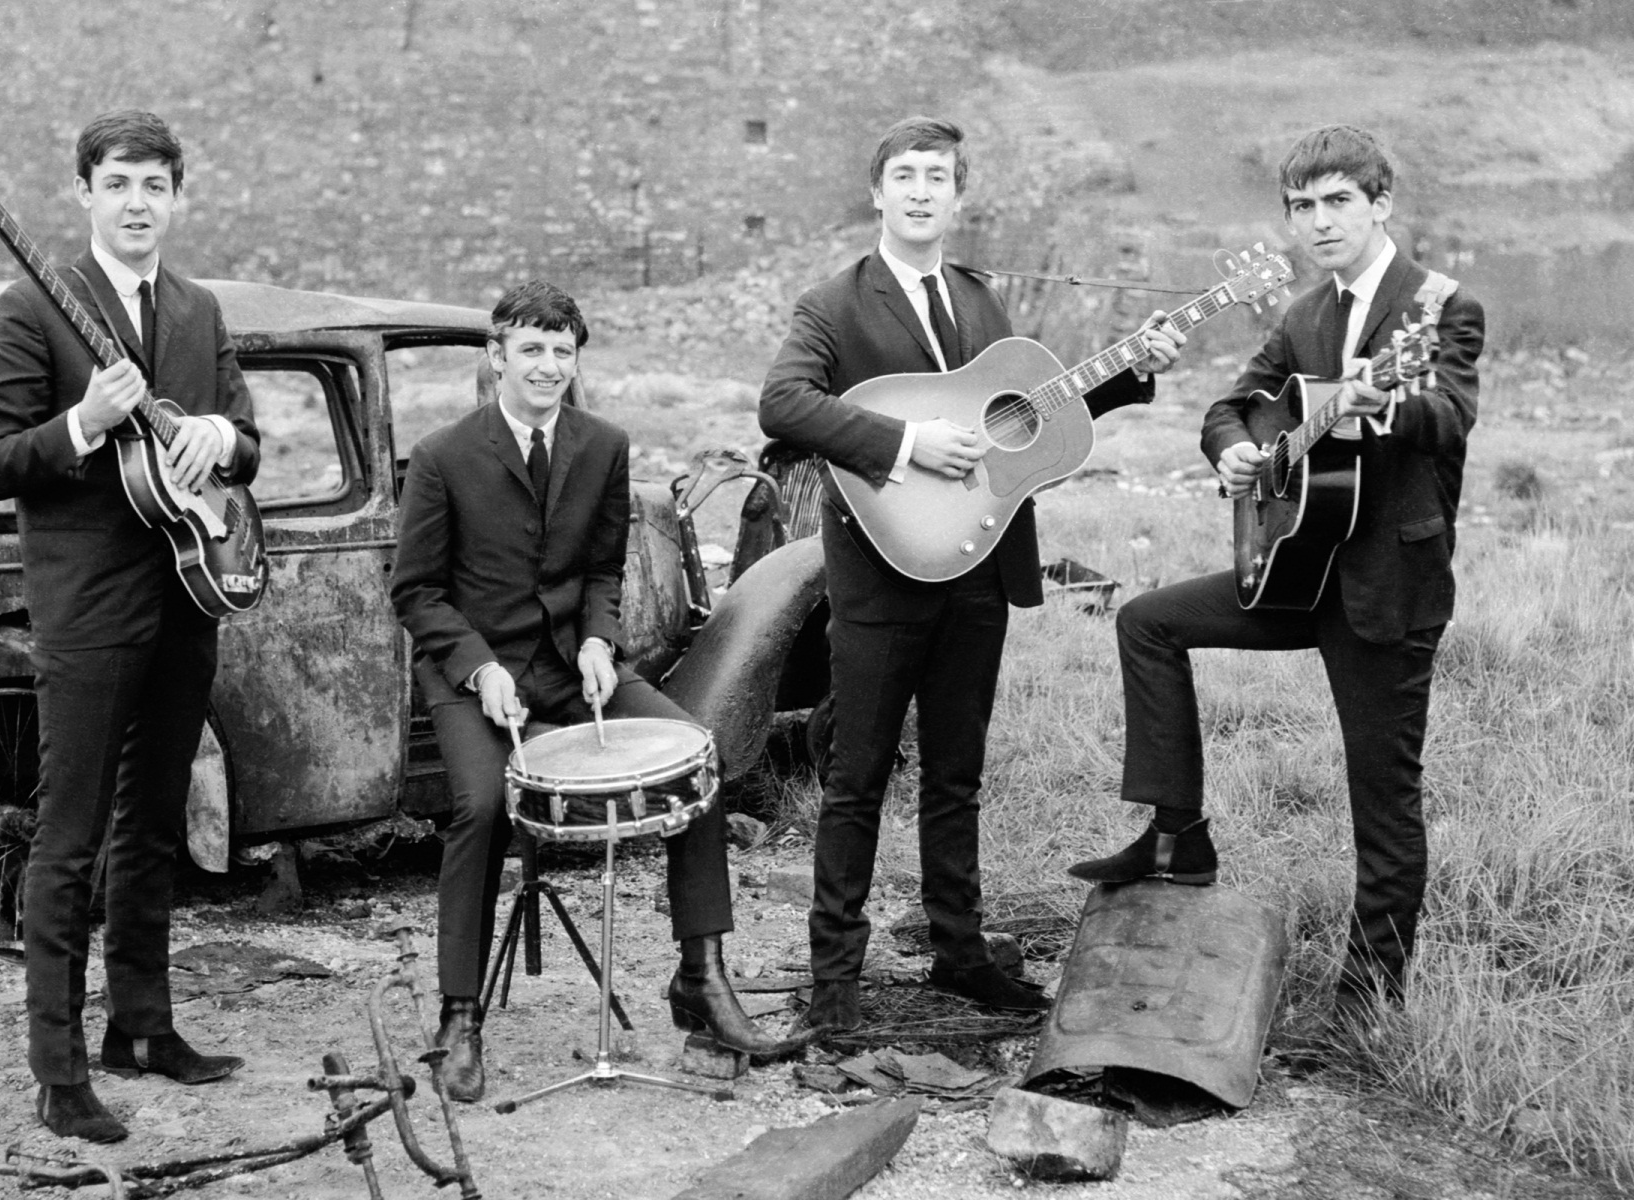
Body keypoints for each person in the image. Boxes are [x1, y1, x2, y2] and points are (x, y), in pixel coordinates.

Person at [758, 116, 1183, 1032]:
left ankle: (960, 953)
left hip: (980, 568)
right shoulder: (833, 304)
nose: (921, 191)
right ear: (877, 193)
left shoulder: (982, 304)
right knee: (856, 779)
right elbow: (783, 404)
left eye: (938, 177)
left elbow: (1027, 415)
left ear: (958, 196)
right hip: (879, 575)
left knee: (958, 776)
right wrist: (907, 441)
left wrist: (1131, 370)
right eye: (905, 175)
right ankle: (835, 983)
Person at [1069, 125, 1484, 1023]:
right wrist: (1236, 451)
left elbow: (1451, 416)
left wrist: (1382, 403)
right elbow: (1230, 407)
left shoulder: (1439, 305)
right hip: (1296, 570)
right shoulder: (1305, 315)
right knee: (1147, 621)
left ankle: (1366, 1006)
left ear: (1380, 204)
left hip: (1384, 588)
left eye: (1339, 201)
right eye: (1303, 206)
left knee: (1381, 801)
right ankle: (1177, 837)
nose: (1320, 221)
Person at [390, 281, 787, 1103]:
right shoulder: (441, 456)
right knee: (479, 807)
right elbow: (416, 592)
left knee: (696, 759)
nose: (547, 366)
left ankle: (701, 978)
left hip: (574, 667)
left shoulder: (604, 444)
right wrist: (481, 670)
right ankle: (459, 1017)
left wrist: (602, 641)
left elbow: (603, 569)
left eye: (561, 352)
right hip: (477, 673)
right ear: (497, 357)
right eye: (530, 350)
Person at [0, 109, 261, 1143]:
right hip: (88, 609)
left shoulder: (196, 307)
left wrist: (215, 434)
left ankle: (140, 1026)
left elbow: (249, 442)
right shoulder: (31, 307)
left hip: (187, 594)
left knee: (154, 822)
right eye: (120, 184)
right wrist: (84, 422)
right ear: (85, 194)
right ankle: (59, 1073)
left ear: (178, 197)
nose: (138, 204)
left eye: (155, 186)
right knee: (69, 836)